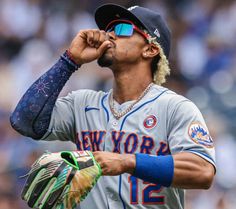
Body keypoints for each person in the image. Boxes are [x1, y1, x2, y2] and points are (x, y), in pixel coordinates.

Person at [10, 3, 216, 209]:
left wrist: (127, 162)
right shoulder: (82, 103)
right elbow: (23, 121)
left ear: (150, 49)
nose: (109, 36)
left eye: (122, 29)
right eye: (108, 29)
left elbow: (203, 171)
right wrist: (69, 60)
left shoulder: (174, 107)